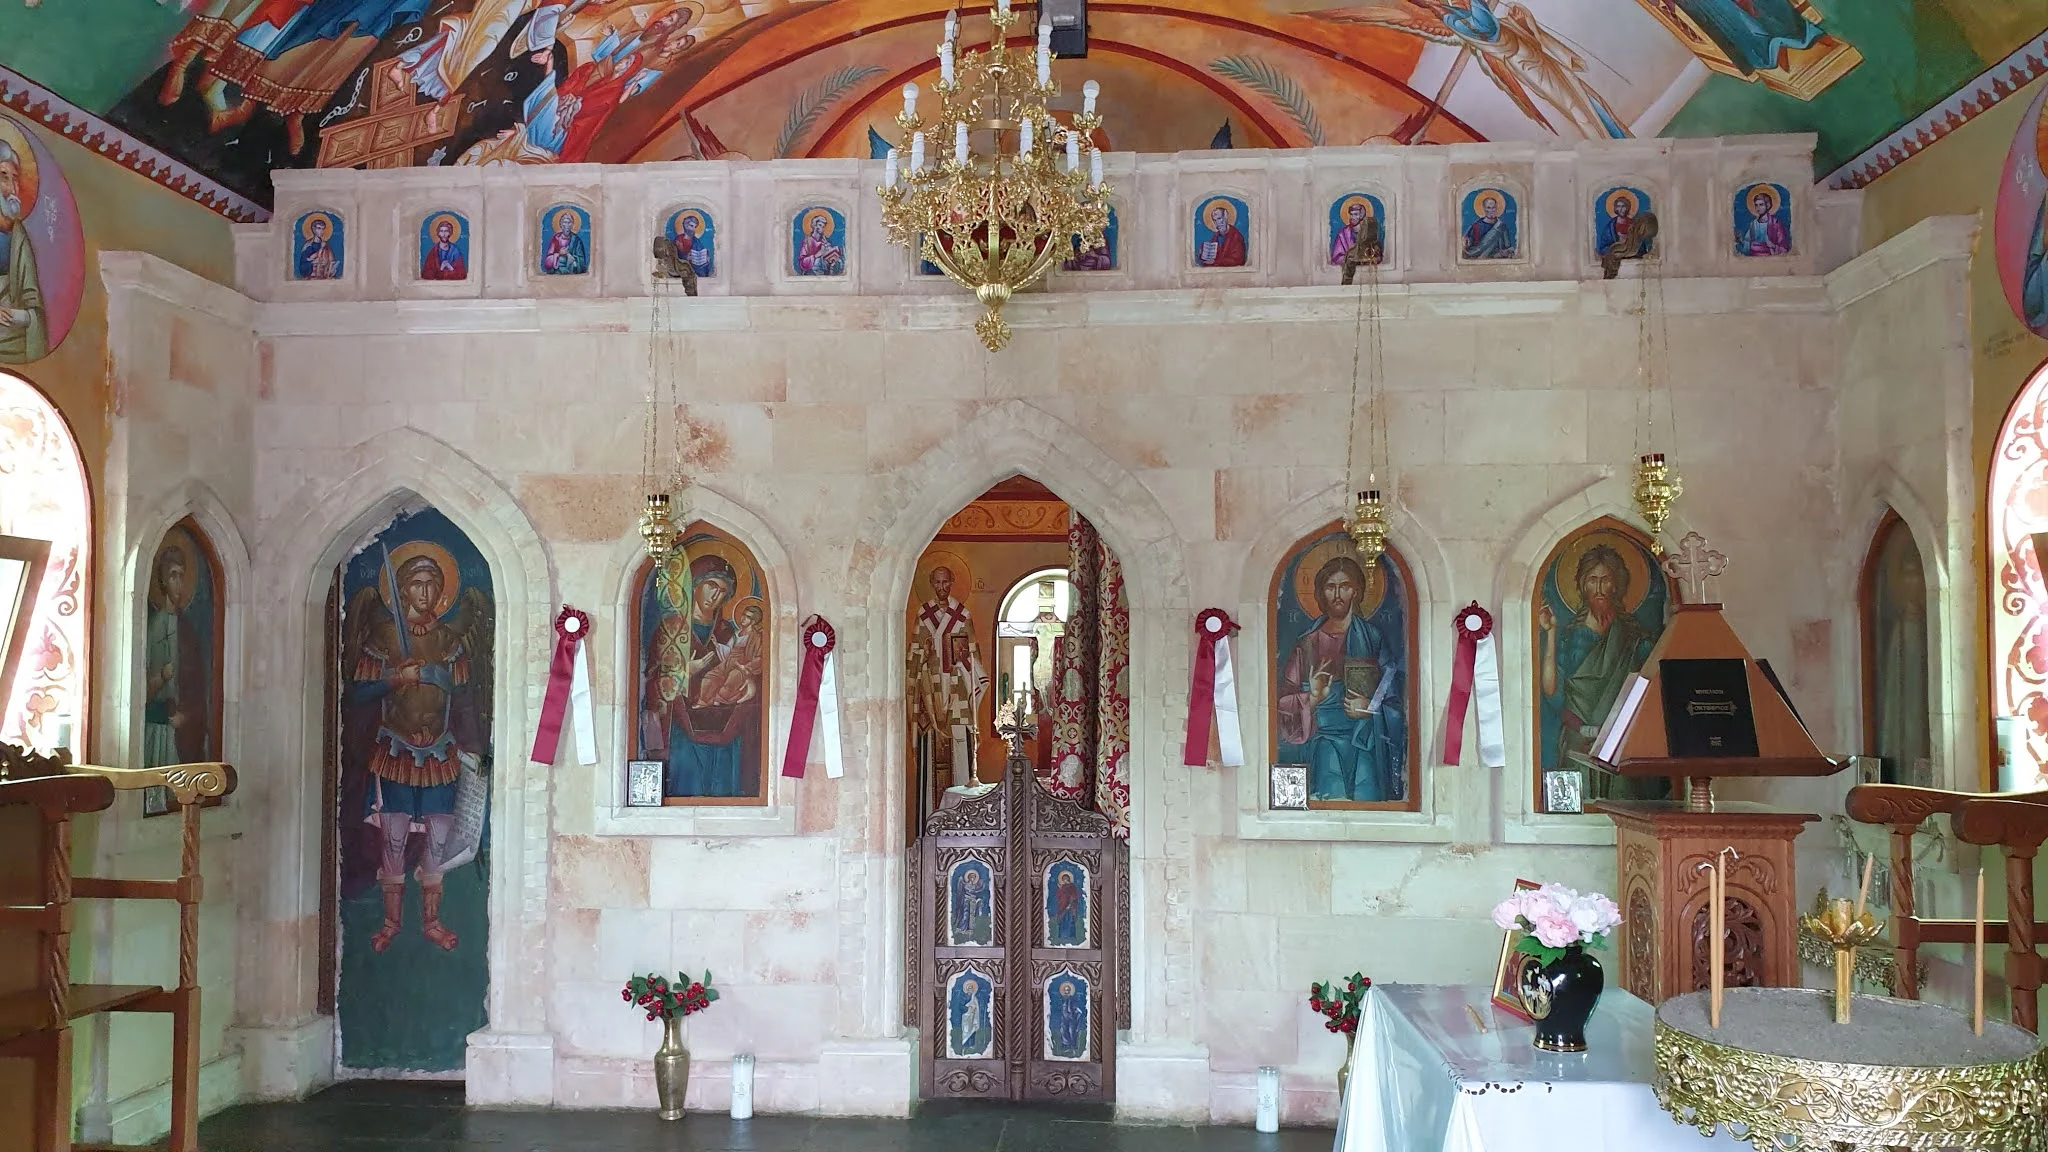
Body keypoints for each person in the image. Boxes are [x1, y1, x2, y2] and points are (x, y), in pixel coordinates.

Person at [341, 548, 491, 952]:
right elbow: (358, 693)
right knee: (394, 835)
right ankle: (390, 921)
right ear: (402, 590)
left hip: (441, 751)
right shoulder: (383, 638)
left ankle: (432, 921)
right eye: (417, 584)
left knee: (439, 837)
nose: (424, 592)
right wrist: (394, 679)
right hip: (395, 749)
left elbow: (463, 699)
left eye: (431, 585)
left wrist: (475, 748)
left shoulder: (449, 641)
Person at [1278, 554, 1407, 802]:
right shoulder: (1307, 644)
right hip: (1322, 743)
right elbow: (1282, 703)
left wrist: (1370, 709)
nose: (1338, 595)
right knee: (1329, 796)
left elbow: (1394, 698)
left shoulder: (1373, 639)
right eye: (1330, 587)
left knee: (1367, 801)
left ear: (1356, 592)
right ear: (1320, 593)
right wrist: (1313, 698)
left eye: (1345, 586)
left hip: (1364, 744)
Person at [1537, 543, 1657, 803]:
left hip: (1620, 745)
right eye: (1592, 580)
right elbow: (1551, 691)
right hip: (1577, 742)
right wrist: (1551, 633)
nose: (1600, 589)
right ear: (1581, 585)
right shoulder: (1569, 637)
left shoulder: (1635, 638)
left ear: (1618, 584)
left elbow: (1648, 691)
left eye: (1606, 580)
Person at [642, 553, 758, 797]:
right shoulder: (671, 627)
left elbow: (744, 667)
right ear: (694, 585)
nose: (716, 596)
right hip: (681, 731)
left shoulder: (728, 632)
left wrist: (748, 682)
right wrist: (685, 673)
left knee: (723, 782)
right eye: (711, 586)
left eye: (723, 591)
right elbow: (651, 681)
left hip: (723, 726)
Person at [909, 565, 989, 790]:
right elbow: (913, 656)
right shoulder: (923, 615)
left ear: (952, 582)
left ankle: (961, 814)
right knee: (932, 757)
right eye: (937, 582)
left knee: (960, 750)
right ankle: (930, 817)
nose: (941, 587)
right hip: (930, 696)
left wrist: (962, 655)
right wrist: (923, 652)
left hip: (957, 694)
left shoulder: (962, 615)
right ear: (931, 584)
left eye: (945, 582)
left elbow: (973, 655)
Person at [143, 538, 210, 770]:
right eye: (173, 576)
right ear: (163, 580)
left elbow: (199, 686)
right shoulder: (154, 627)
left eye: (182, 576)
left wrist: (188, 716)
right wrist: (162, 676)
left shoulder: (188, 630)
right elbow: (141, 692)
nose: (178, 583)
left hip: (183, 728)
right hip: (158, 726)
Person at [0, 132, 46, 363]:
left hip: (13, 338)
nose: (11, 186)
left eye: (15, 178)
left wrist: (24, 318)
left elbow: (32, 300)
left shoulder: (19, 238)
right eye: (3, 175)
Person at [1736, 188, 1789, 257]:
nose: (1758, 208)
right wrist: (1740, 240)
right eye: (1756, 205)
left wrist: (1773, 246)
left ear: (1768, 205)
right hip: (1753, 257)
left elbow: (1784, 247)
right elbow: (1747, 245)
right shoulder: (1753, 224)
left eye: (1761, 205)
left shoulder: (1775, 223)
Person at [1463, 192, 1515, 259]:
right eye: (1488, 207)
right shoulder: (1476, 226)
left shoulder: (1501, 226)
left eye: (1493, 207)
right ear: (1484, 209)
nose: (1491, 210)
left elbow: (1508, 246)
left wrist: (1506, 252)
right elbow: (1469, 245)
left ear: (1496, 208)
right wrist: (1466, 242)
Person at [1329, 200, 1380, 266]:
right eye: (1351, 214)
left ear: (1361, 216)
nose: (1352, 217)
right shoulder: (1343, 234)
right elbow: (1336, 257)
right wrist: (1351, 259)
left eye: (1356, 214)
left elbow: (1377, 256)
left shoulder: (1369, 232)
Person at [1196, 202, 1247, 267]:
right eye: (1214, 220)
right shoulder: (1215, 236)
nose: (1217, 223)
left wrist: (1215, 262)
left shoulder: (1236, 236)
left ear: (1225, 216)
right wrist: (1203, 255)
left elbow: (1238, 260)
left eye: (1219, 218)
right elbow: (1212, 257)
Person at [541, 209, 589, 275]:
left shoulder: (576, 240)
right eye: (565, 222)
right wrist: (559, 254)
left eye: (569, 222)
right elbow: (547, 261)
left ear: (572, 225)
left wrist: (572, 258)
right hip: (557, 272)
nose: (567, 225)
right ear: (561, 224)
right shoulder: (556, 239)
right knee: (561, 259)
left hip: (571, 270)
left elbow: (582, 262)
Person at [952, 865, 991, 944]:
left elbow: (978, 890)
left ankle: (971, 929)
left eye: (974, 877)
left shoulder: (974, 886)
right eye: (971, 877)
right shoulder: (965, 885)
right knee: (965, 916)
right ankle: (962, 929)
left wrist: (982, 884)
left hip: (972, 902)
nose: (973, 879)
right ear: (969, 878)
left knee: (972, 916)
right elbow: (963, 891)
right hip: (966, 902)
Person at [951, 976, 989, 1055]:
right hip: (966, 1017)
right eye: (968, 988)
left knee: (973, 1030)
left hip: (973, 1016)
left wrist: (974, 1009)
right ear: (966, 989)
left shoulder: (974, 997)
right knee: (965, 1030)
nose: (970, 990)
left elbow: (976, 1006)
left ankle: (971, 1044)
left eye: (971, 988)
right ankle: (964, 1044)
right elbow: (960, 1006)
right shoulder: (963, 997)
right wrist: (967, 1009)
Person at [1049, 979, 1085, 1058]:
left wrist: (1077, 1012)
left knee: (1071, 1032)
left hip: (1071, 1019)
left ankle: (1072, 1046)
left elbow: (1075, 1008)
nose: (1066, 992)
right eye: (1065, 990)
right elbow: (1058, 1008)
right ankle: (1065, 1046)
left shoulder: (1072, 999)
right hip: (1063, 1019)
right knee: (1063, 1031)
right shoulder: (1061, 999)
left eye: (1068, 990)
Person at [298, 215, 340, 280]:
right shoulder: (308, 245)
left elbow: (331, 261)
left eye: (323, 229)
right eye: (319, 228)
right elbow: (303, 266)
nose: (321, 231)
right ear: (313, 229)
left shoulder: (326, 246)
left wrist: (330, 267)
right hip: (311, 278)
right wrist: (313, 262)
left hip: (324, 276)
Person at [1049, 867, 1082, 945]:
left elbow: (1074, 896)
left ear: (1068, 879)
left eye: (1066, 879)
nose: (1065, 881)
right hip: (1062, 907)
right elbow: (1059, 896)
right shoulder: (1062, 887)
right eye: (1064, 879)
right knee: (1063, 921)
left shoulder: (1072, 887)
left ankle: (1071, 936)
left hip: (1070, 908)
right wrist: (1060, 889)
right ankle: (1061, 936)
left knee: (1070, 921)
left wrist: (1070, 904)